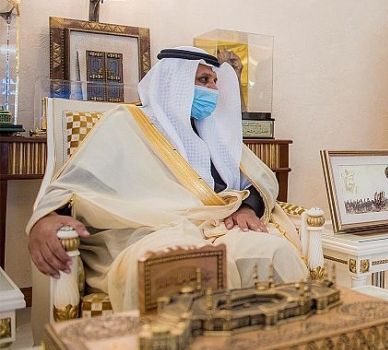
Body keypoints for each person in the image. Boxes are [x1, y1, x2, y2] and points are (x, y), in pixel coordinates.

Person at [27, 46, 308, 311]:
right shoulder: (125, 122)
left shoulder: (215, 130)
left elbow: (260, 179)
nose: (213, 89)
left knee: (273, 253)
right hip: (150, 231)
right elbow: (80, 182)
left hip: (220, 228)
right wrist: (47, 217)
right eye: (204, 80)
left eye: (214, 81)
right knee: (183, 264)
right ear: (175, 82)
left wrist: (248, 208)